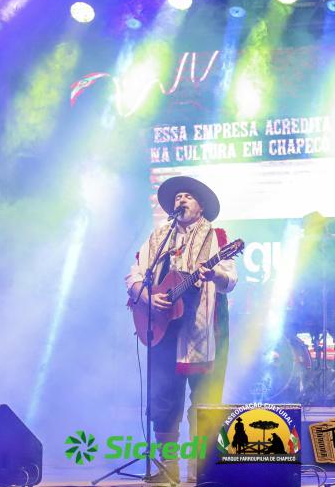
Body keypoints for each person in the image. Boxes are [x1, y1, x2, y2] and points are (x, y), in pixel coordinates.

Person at [126, 176, 237, 480]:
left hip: (204, 331)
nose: (181, 200)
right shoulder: (157, 238)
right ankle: (167, 468)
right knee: (164, 399)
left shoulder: (216, 237)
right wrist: (147, 297)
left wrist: (213, 274)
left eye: (188, 196)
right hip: (165, 332)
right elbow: (134, 276)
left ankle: (201, 470)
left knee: (205, 400)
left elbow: (230, 279)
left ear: (201, 207)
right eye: (178, 197)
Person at [288, 212, 335, 374]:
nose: (306, 233)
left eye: (308, 229)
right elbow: (296, 279)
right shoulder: (301, 249)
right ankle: (298, 372)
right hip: (309, 307)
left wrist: (333, 293)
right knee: (283, 328)